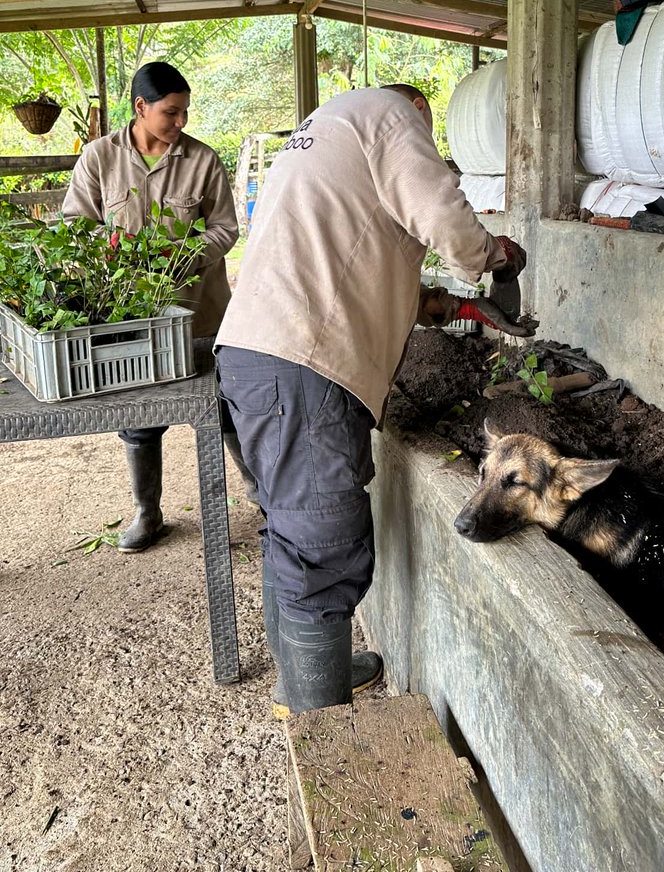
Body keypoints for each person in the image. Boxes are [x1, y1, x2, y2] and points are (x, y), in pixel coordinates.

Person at [215, 83, 529, 717]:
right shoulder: (388, 115)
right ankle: (321, 725)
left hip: (252, 356)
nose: (428, 146)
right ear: (416, 112)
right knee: (321, 546)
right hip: (302, 366)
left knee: (289, 525)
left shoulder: (322, 134)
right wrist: (495, 255)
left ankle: (303, 678)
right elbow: (444, 218)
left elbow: (357, 266)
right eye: (429, 135)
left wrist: (457, 307)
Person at [62, 61, 257, 553]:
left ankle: (263, 500)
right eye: (171, 112)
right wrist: (101, 245)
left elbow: (225, 228)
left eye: (185, 112)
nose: (180, 123)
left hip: (201, 316)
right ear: (141, 107)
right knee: (140, 417)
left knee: (226, 408)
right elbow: (73, 227)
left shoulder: (203, 160)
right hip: (134, 319)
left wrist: (185, 252)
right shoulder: (98, 158)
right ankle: (147, 514)